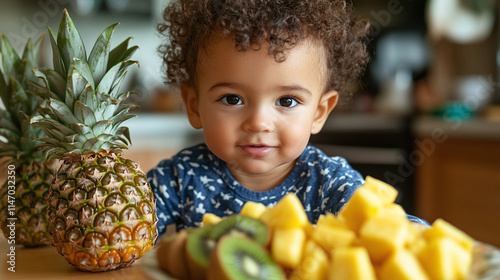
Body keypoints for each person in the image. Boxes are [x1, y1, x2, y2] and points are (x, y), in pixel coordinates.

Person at [148, 0, 427, 236]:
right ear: (194, 106)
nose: (258, 122)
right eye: (232, 99)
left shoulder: (329, 183)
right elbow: (119, 230)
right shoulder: (180, 178)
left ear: (319, 113)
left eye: (286, 101)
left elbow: (397, 231)